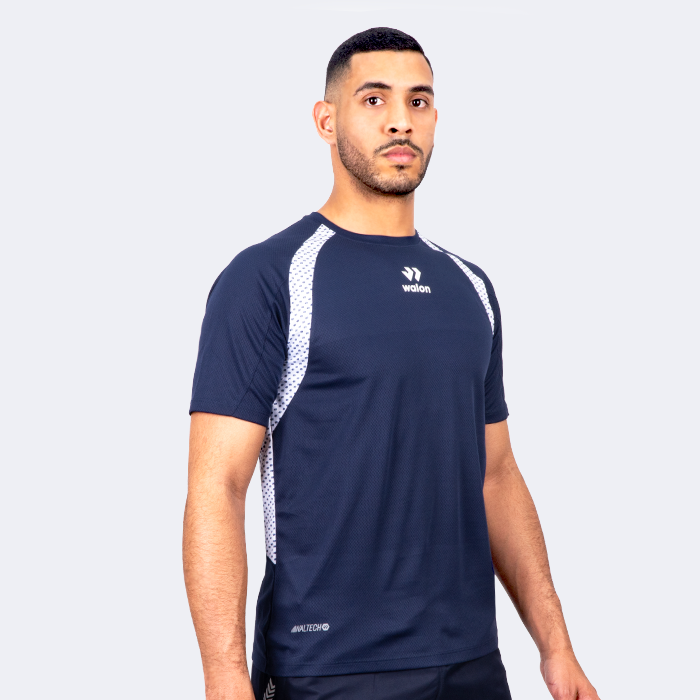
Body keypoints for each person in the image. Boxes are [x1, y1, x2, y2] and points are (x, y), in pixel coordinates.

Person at [183, 27, 601, 700]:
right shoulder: (269, 278)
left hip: (470, 663)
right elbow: (217, 486)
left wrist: (556, 646)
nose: (401, 120)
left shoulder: (471, 287)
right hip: (328, 669)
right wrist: (224, 675)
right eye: (374, 100)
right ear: (326, 120)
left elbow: (496, 476)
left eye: (419, 101)